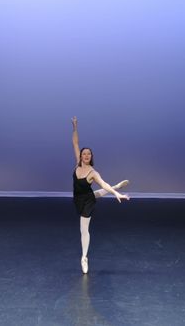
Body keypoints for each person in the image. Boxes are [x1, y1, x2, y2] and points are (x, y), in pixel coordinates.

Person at [71, 116, 130, 274]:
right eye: (84, 154)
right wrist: (75, 127)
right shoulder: (77, 163)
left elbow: (102, 183)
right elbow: (75, 143)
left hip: (87, 203)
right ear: (81, 156)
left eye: (89, 154)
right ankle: (116, 185)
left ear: (91, 157)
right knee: (94, 194)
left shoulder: (93, 172)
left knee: (84, 230)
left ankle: (84, 257)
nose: (86, 155)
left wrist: (117, 194)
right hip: (79, 198)